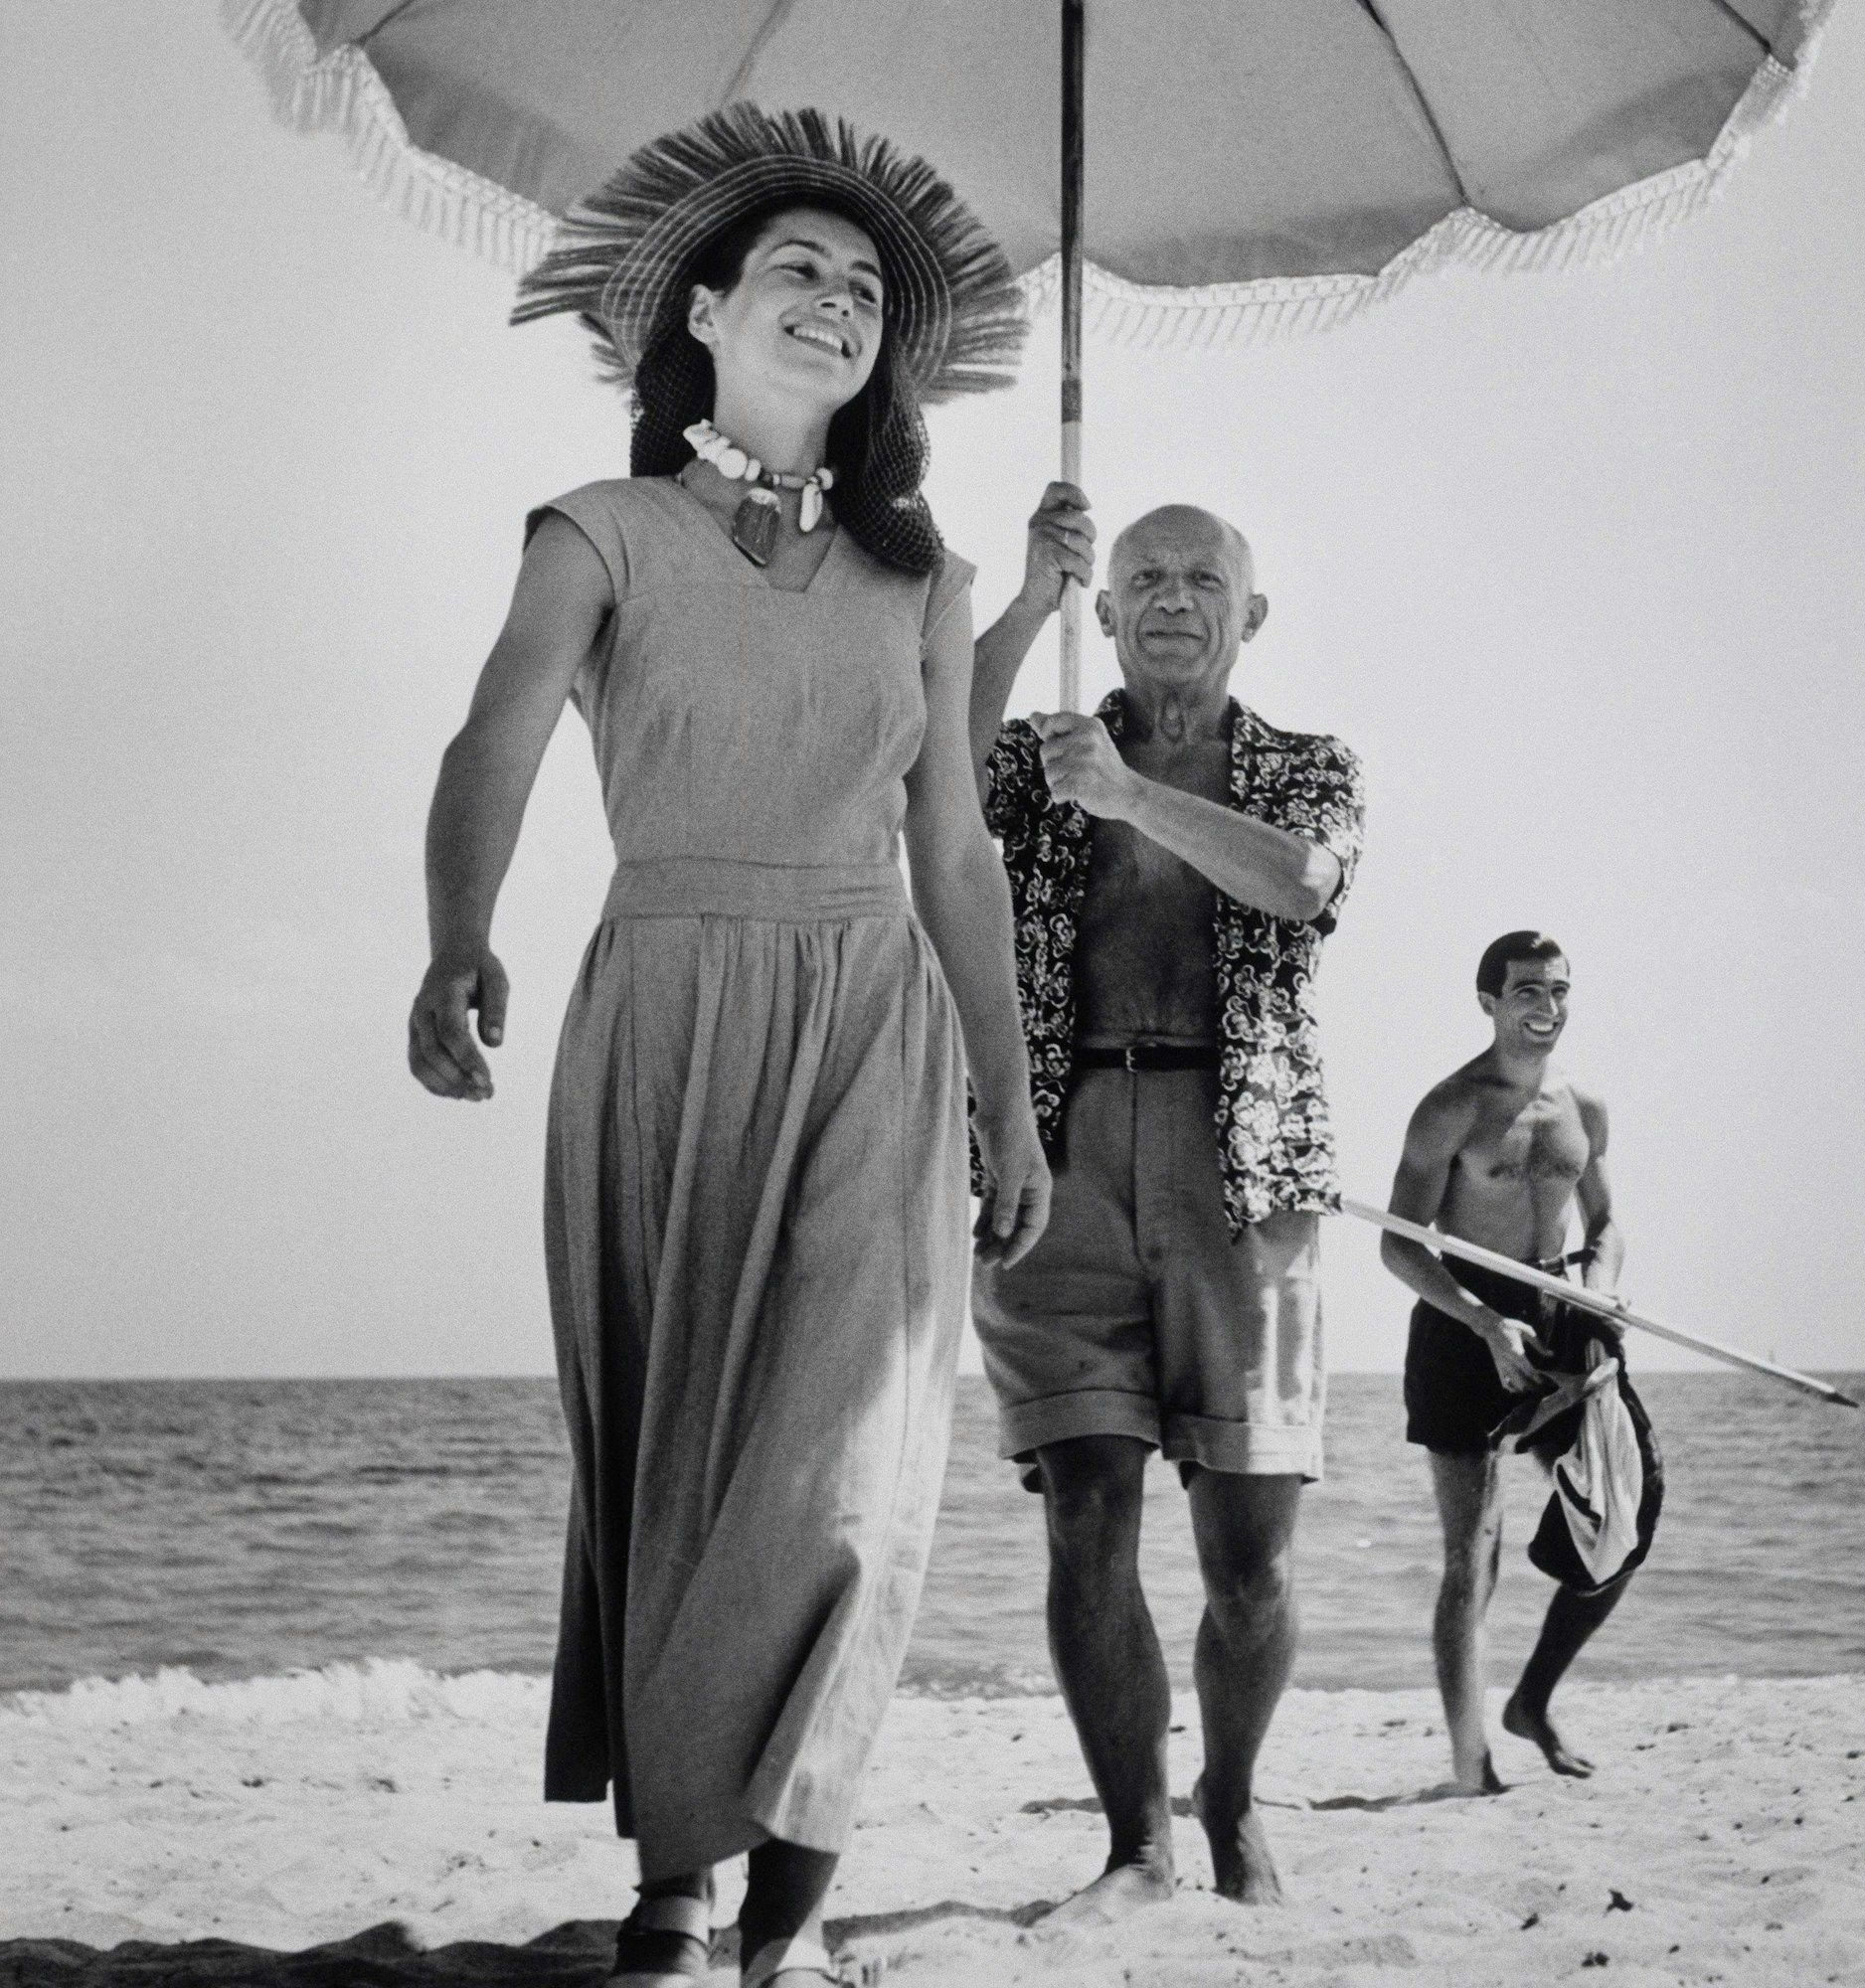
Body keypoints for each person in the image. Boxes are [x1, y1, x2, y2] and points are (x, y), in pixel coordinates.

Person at [407, 106, 1049, 1988]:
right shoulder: (597, 532)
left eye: (865, 288)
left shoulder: (927, 581)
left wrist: (1010, 1099)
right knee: (687, 1457)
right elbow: (494, 744)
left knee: (850, 1459)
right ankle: (683, 1876)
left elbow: (953, 847)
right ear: (702, 310)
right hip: (665, 1006)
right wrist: (457, 937)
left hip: (870, 1021)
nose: (838, 301)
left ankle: (800, 1825)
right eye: (800, 269)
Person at [968, 500, 1365, 1915]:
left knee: (1248, 1554)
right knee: (1085, 1509)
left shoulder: (1307, 764)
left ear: (1252, 613)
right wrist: (1022, 605)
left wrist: (1132, 796)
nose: (1173, 598)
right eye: (1141, 578)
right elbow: (922, 775)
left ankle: (1233, 1799)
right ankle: (1134, 1842)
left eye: (1205, 579)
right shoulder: (1041, 754)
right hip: (1058, 1149)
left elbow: (1306, 884)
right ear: (1107, 609)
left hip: (1241, 1165)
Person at [1380, 931, 1661, 1797]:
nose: (1547, 1008)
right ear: (1490, 1002)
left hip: (1562, 1308)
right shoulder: (1451, 1108)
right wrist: (1479, 1320)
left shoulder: (1586, 1107)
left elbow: (1606, 1223)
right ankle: (1471, 1764)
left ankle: (1532, 1701)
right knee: (1476, 1553)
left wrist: (1601, 1288)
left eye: (1560, 990)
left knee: (1627, 1516)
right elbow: (1398, 1246)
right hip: (1463, 1318)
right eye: (1528, 991)